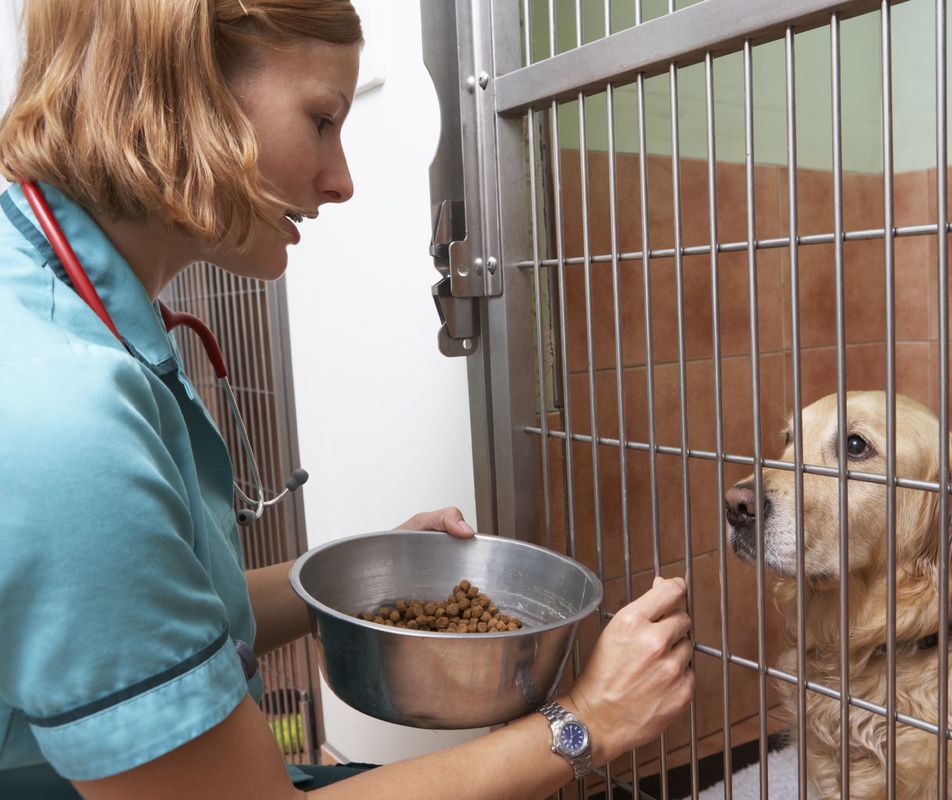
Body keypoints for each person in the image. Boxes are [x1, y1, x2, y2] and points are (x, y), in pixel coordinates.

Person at [0, 1, 695, 798]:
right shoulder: (63, 413)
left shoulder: (58, 296)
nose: (342, 181)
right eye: (322, 118)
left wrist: (347, 579)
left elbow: (153, 613)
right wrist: (586, 722)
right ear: (184, 87)